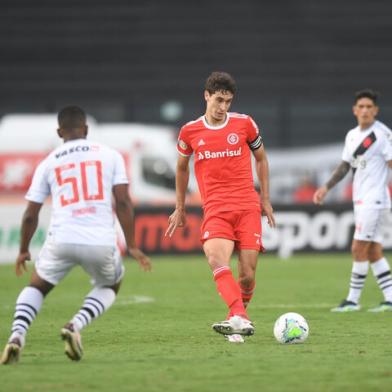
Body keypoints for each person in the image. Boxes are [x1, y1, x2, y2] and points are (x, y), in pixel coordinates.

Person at [0, 106, 151, 364]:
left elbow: (29, 214)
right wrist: (133, 244)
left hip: (61, 238)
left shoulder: (48, 162)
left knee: (37, 286)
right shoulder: (110, 155)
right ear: (87, 129)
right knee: (111, 284)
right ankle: (74, 325)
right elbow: (124, 202)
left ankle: (16, 336)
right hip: (100, 240)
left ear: (59, 132)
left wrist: (24, 249)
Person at [165, 71, 275, 343]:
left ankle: (236, 318)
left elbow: (261, 159)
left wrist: (265, 199)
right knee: (216, 259)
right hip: (216, 209)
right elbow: (181, 168)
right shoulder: (190, 131)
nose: (223, 107)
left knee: (247, 276)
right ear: (206, 96)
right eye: (218, 100)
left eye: (228, 102)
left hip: (247, 206)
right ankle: (240, 317)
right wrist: (180, 207)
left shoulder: (245, 124)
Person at [313, 89, 392, 312]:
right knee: (373, 251)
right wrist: (326, 187)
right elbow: (345, 165)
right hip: (362, 201)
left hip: (375, 201)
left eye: (370, 107)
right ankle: (390, 299)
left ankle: (352, 300)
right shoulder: (352, 135)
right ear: (355, 110)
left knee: (358, 248)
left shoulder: (383, 135)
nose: (365, 110)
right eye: (362, 107)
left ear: (375, 111)